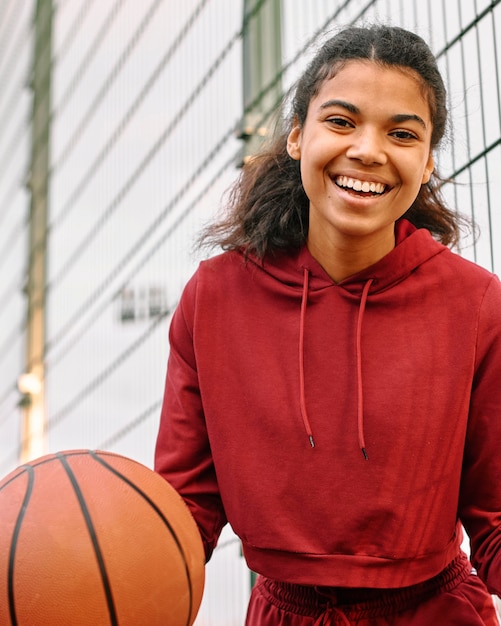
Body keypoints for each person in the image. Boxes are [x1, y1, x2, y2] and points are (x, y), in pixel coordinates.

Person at [154, 24, 501, 625]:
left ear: (425, 164)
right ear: (296, 137)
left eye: (401, 133)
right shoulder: (214, 298)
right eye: (341, 122)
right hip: (284, 612)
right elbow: (185, 512)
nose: (368, 150)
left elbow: (495, 519)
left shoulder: (477, 305)